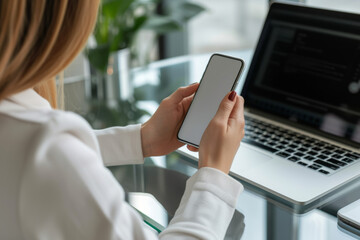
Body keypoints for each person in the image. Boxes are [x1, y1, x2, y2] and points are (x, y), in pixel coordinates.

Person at [0, 1, 246, 239]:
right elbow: (52, 160)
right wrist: (213, 173)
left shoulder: (24, 134)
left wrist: (142, 140)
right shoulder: (46, 148)